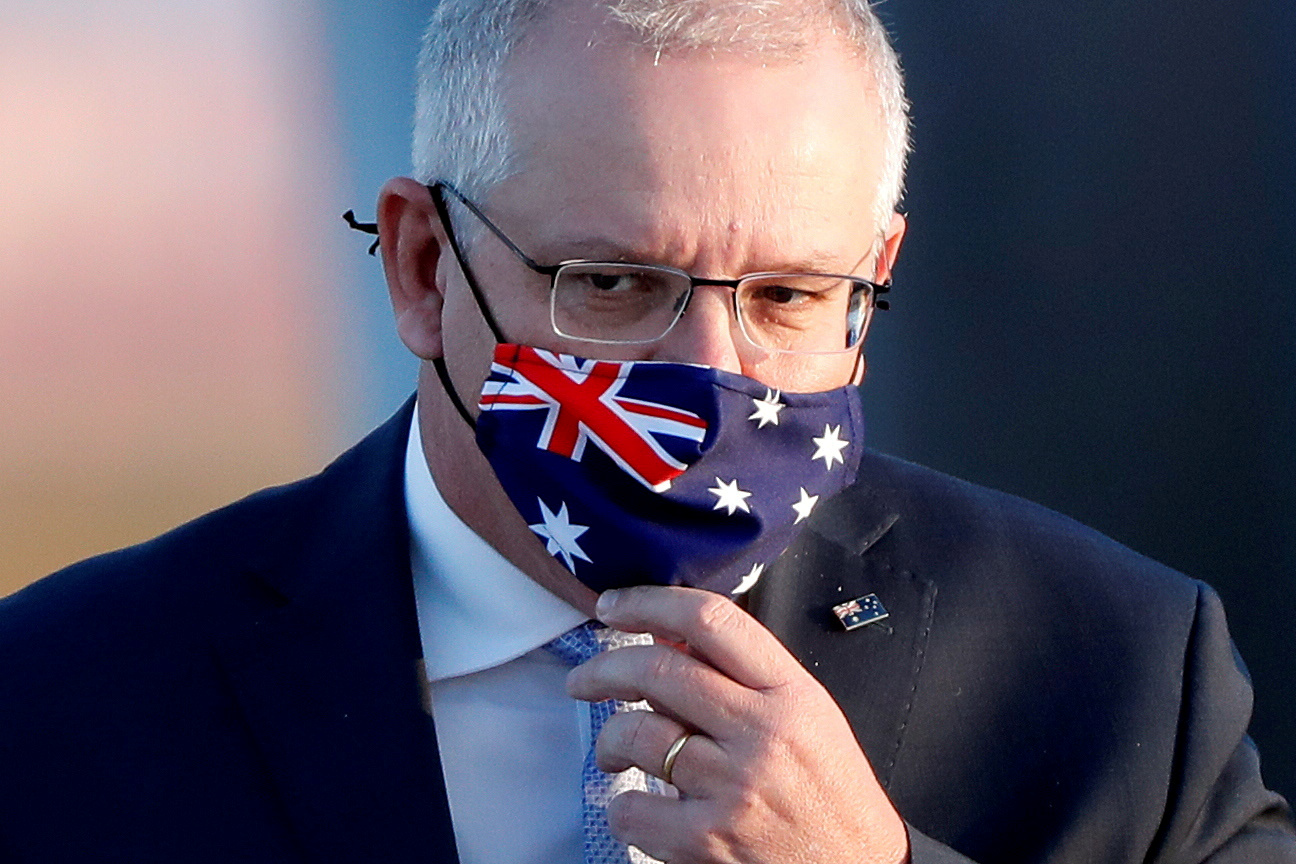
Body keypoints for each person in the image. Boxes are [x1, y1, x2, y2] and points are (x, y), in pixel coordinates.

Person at [0, 0, 1292, 862]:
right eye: (613, 285)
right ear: (420, 267)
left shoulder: (1115, 673)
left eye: (789, 295)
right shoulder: (65, 700)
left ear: (876, 271)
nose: (710, 378)